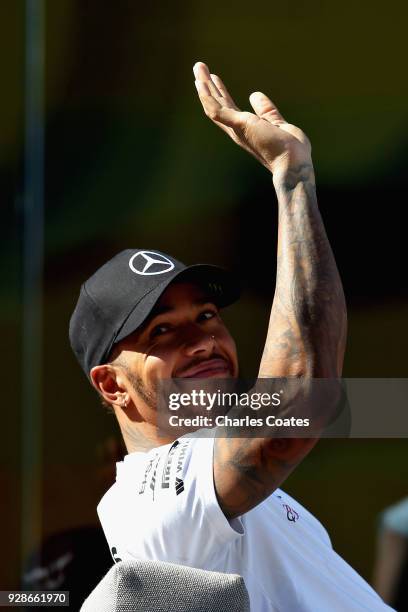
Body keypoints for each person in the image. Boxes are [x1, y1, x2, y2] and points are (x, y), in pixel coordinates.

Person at [69, 62, 392, 611]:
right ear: (112, 386)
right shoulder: (146, 503)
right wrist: (291, 178)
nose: (201, 341)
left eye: (207, 315)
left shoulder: (237, 490)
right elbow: (304, 399)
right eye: (162, 331)